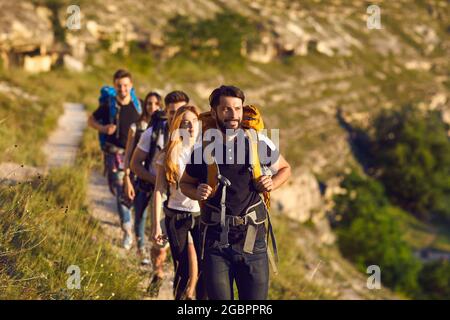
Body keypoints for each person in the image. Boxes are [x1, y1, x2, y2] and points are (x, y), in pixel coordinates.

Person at [180, 85, 291, 300]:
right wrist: (197, 192)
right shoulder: (203, 148)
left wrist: (272, 183)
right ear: (214, 112)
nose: (233, 115)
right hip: (215, 242)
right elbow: (185, 183)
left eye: (237, 109)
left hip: (252, 239)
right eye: (226, 109)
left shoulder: (257, 141)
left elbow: (285, 169)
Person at [130, 90, 190, 297]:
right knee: (159, 241)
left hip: (188, 199)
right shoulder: (153, 132)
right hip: (162, 192)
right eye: (172, 112)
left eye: (181, 112)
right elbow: (135, 163)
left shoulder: (197, 134)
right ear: (166, 111)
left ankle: (187, 289)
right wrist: (158, 182)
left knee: (188, 254)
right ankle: (158, 273)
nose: (176, 116)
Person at [152, 105, 206, 300]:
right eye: (185, 122)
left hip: (201, 215)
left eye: (193, 121)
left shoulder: (207, 151)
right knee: (182, 268)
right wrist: (155, 226)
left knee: (204, 268)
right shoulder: (169, 153)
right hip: (176, 215)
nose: (190, 126)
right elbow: (158, 190)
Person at [88, 69, 141, 250]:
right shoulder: (108, 106)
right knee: (119, 191)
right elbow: (91, 120)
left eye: (125, 85)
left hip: (135, 157)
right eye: (119, 85)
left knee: (131, 192)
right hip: (114, 155)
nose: (122, 88)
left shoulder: (138, 106)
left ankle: (129, 224)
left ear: (131, 86)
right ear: (115, 86)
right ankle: (128, 230)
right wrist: (103, 129)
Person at [123, 91, 162, 264]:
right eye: (148, 103)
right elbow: (128, 155)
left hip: (160, 182)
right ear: (144, 105)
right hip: (141, 178)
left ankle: (158, 252)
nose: (152, 107)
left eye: (155, 104)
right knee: (140, 214)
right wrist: (126, 178)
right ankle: (141, 250)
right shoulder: (137, 127)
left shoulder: (166, 127)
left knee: (159, 218)